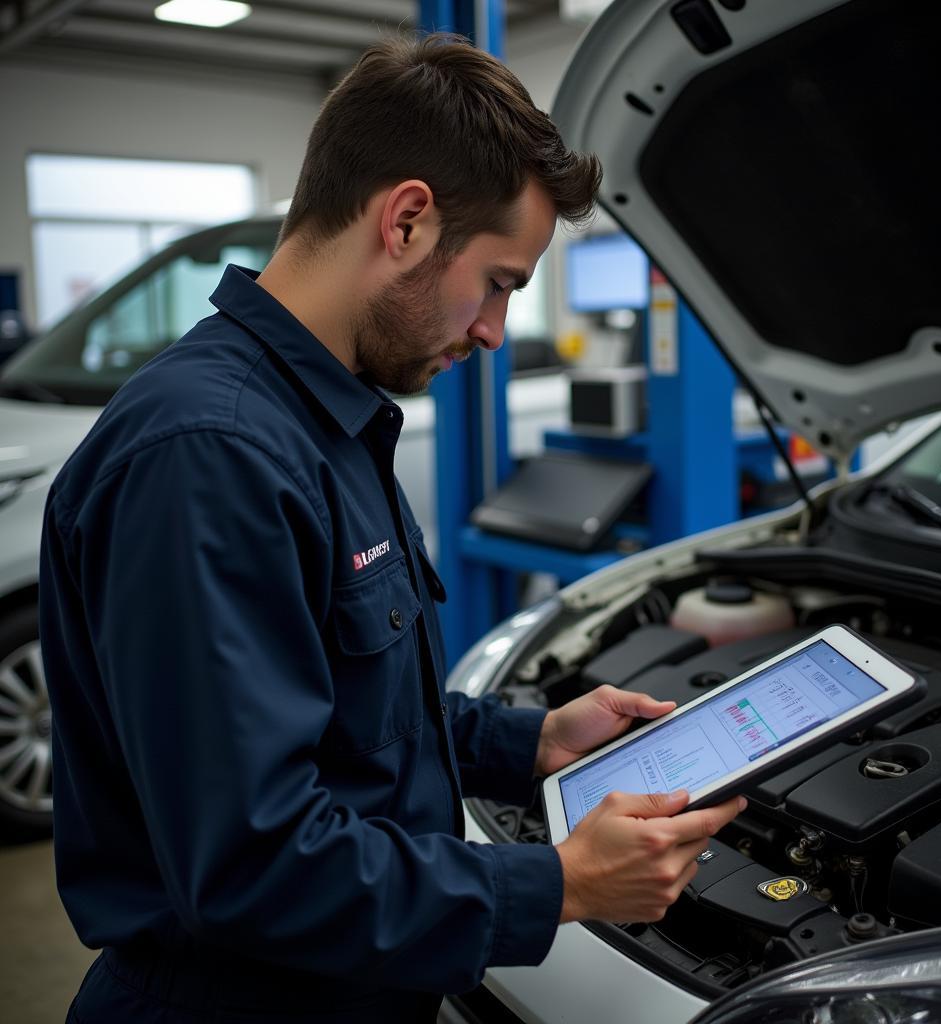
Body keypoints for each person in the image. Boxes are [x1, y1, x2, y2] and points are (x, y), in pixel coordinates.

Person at [39, 33, 746, 1024]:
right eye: (499, 280)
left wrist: (531, 738)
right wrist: (560, 885)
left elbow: (340, 713)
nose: (497, 330)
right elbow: (251, 864)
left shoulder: (323, 419)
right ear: (407, 221)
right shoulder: (211, 454)